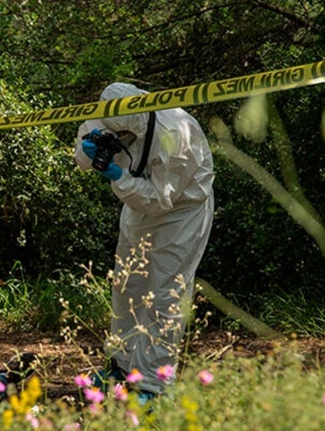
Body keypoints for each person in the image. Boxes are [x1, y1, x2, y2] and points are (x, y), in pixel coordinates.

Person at [74, 82, 214, 402]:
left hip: (181, 213)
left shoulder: (176, 133)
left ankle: (153, 386)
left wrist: (116, 175)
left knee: (165, 294)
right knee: (126, 286)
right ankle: (121, 367)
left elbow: (159, 199)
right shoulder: (107, 113)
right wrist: (90, 150)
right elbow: (81, 154)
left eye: (123, 136)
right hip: (136, 207)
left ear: (133, 122)